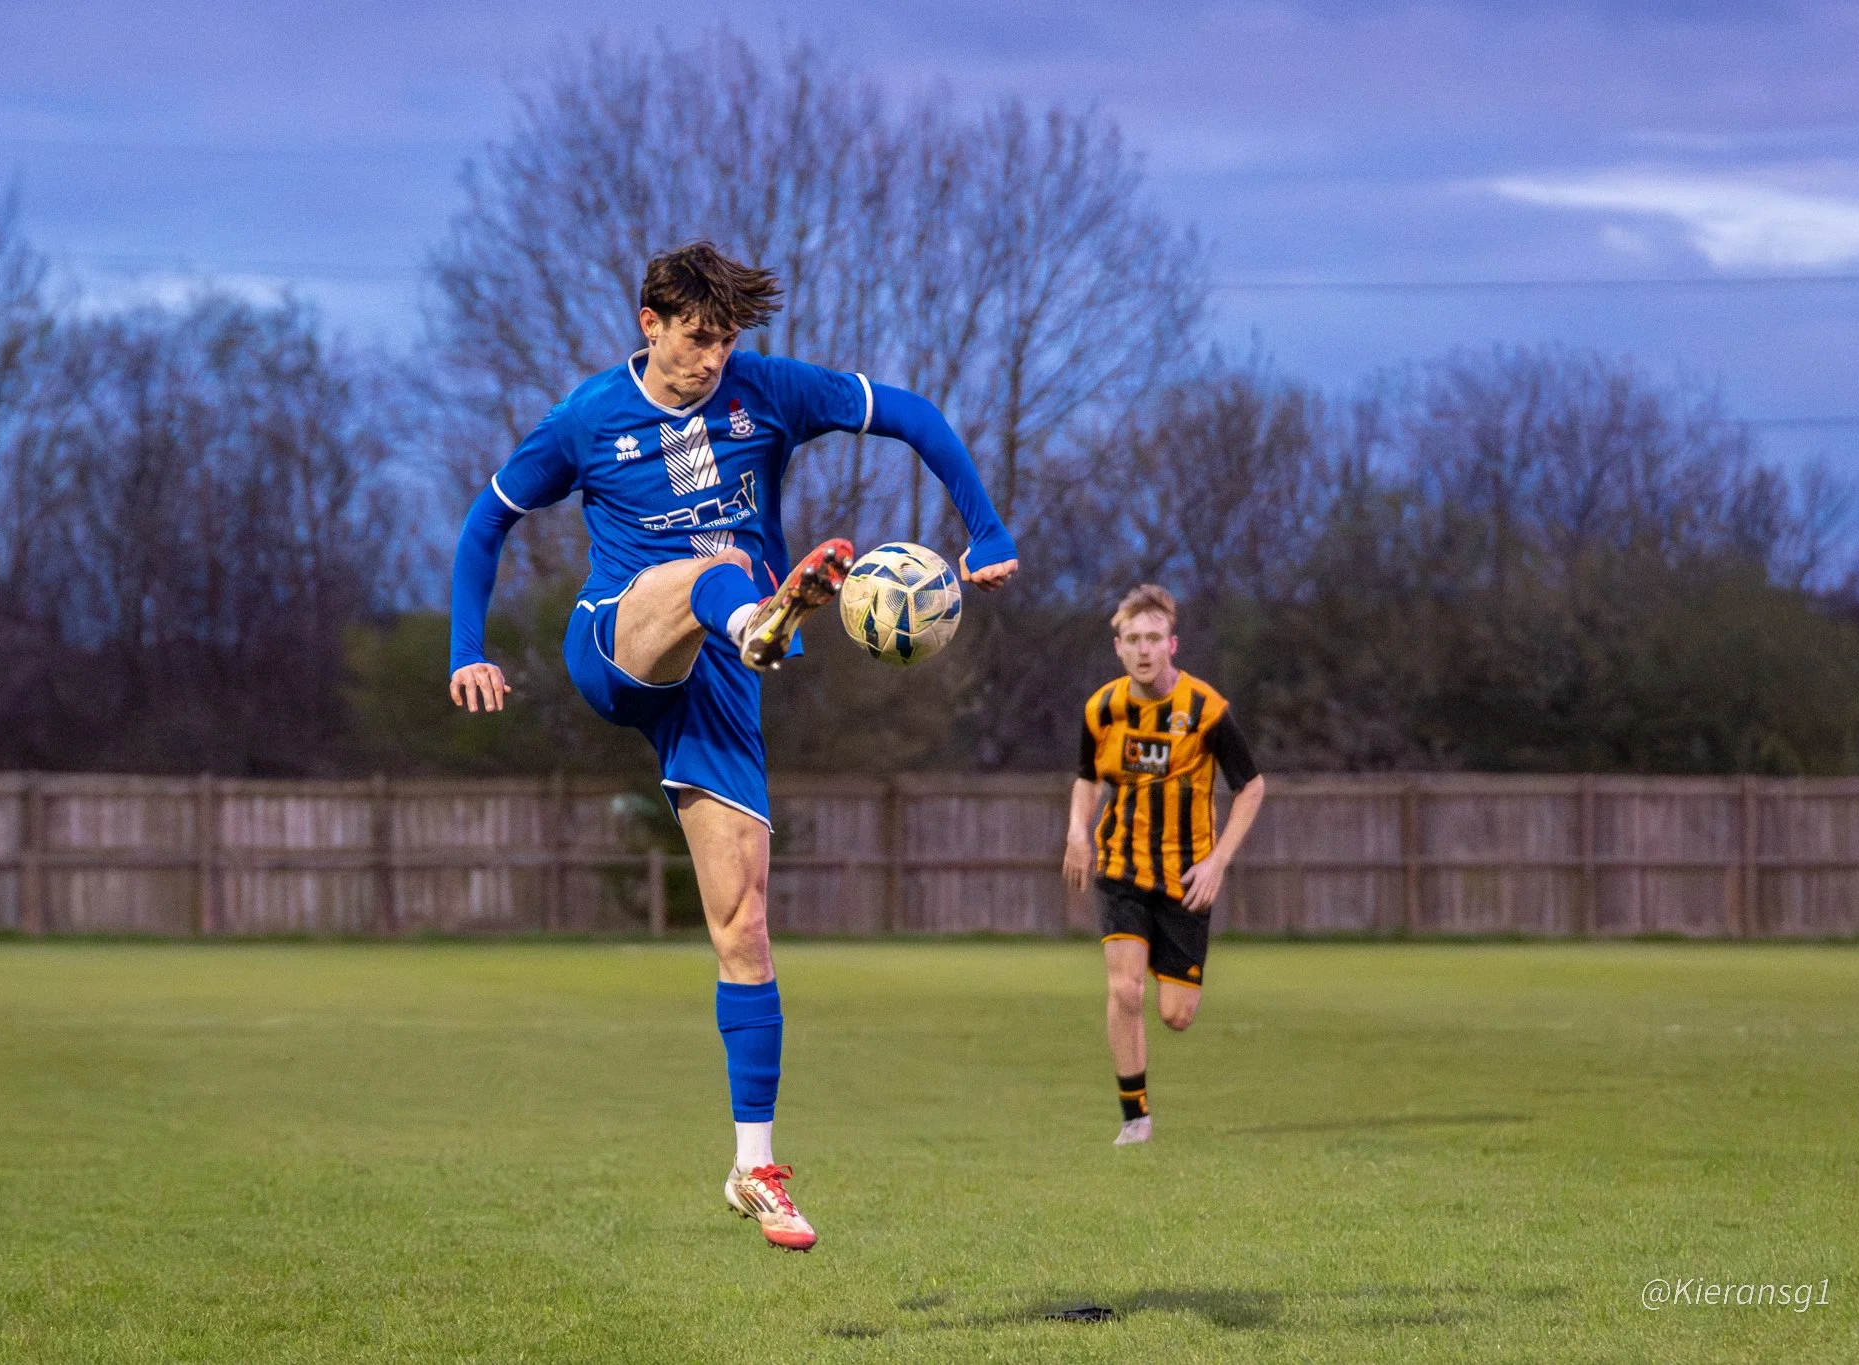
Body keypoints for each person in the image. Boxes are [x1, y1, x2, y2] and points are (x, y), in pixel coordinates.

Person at [447, 242, 1018, 1250]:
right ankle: (763, 616)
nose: (711, 358)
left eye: (725, 340)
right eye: (695, 337)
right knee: (707, 571)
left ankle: (753, 1165)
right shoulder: (586, 419)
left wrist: (984, 526)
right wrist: (467, 649)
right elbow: (485, 523)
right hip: (621, 633)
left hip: (719, 684)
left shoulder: (769, 392)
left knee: (744, 922)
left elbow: (915, 417)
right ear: (649, 323)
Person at [1062, 586, 1265, 1146]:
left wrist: (1219, 861)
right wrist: (1078, 829)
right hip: (1121, 869)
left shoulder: (1208, 710)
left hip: (1185, 877)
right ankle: (1136, 1118)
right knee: (1125, 992)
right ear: (1118, 647)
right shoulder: (1101, 709)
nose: (1145, 649)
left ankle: (1161, 959)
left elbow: (1251, 787)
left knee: (1176, 1014)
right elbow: (1087, 777)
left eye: (1154, 638)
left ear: (1172, 644)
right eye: (1134, 639)